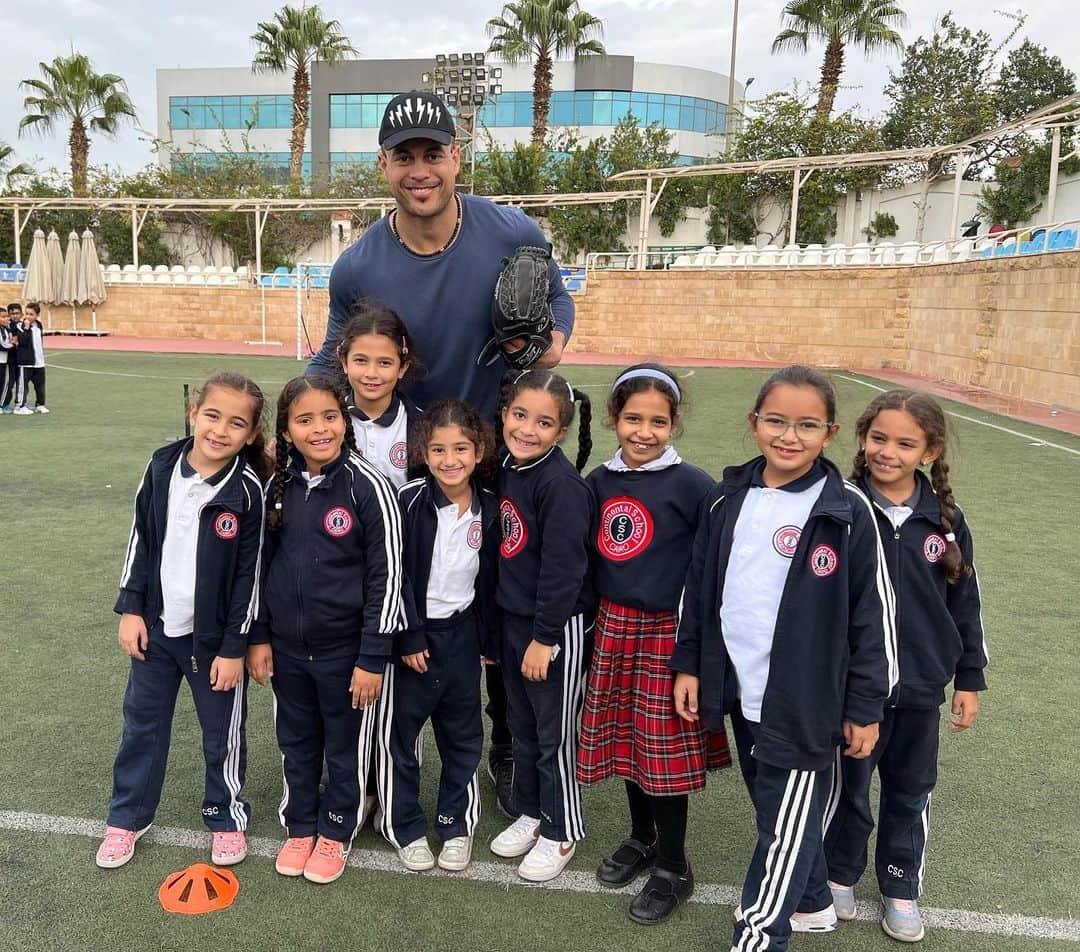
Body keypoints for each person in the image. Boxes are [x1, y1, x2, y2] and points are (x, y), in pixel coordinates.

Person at [311, 90, 577, 814]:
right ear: (384, 166)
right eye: (405, 157)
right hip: (412, 462)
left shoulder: (511, 230)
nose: (420, 169)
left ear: (457, 158)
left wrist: (549, 341)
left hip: (499, 452)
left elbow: (559, 304)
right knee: (413, 595)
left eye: (434, 153)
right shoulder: (359, 264)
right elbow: (332, 356)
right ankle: (385, 748)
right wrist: (288, 419)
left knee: (502, 596)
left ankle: (507, 742)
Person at [672, 364, 897, 952]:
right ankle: (815, 900)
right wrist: (690, 663)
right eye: (775, 421)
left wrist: (865, 705)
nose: (788, 436)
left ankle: (758, 934)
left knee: (783, 831)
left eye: (806, 425)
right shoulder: (727, 499)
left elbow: (871, 620)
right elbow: (699, 591)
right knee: (775, 808)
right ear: (754, 423)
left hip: (806, 702)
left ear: (830, 433)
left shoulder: (845, 511)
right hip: (743, 693)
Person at [824, 389, 988, 944]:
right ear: (862, 439)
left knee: (910, 789)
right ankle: (839, 874)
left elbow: (965, 604)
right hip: (854, 690)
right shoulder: (841, 507)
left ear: (929, 450)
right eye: (878, 438)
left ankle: (899, 885)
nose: (887, 451)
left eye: (904, 442)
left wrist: (969, 677)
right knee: (847, 787)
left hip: (920, 688)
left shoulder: (944, 520)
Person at [577, 363, 731, 925]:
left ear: (674, 424)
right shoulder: (598, 482)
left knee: (661, 754)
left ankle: (674, 865)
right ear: (616, 418)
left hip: (669, 633)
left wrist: (694, 655)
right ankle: (642, 838)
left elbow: (712, 570)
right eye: (633, 418)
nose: (644, 432)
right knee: (626, 744)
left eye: (658, 422)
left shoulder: (693, 486)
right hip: (614, 628)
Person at [96, 372, 269, 870]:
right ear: (194, 413)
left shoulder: (247, 491)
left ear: (251, 434)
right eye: (212, 416)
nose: (220, 430)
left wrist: (234, 647)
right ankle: (127, 818)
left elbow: (248, 578)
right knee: (142, 727)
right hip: (155, 630)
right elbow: (142, 541)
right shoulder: (162, 464)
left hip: (213, 643)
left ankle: (225, 815)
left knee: (223, 735)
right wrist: (131, 608)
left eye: (237, 423)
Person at [247, 374, 404, 886]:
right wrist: (259, 637)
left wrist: (372, 658)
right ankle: (301, 824)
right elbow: (260, 567)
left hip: (347, 654)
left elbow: (387, 577)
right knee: (297, 741)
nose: (320, 429)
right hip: (288, 651)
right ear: (286, 432)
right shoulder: (278, 488)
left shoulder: (370, 486)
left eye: (330, 416)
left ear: (345, 420)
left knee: (345, 745)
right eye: (305, 420)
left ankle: (337, 828)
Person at [379, 400, 500, 873]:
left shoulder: (490, 507)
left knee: (463, 736)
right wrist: (407, 637)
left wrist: (486, 639)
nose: (450, 460)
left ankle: (455, 823)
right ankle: (405, 826)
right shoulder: (406, 501)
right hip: (413, 640)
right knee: (400, 739)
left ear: (479, 450)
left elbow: (489, 580)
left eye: (461, 449)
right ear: (423, 454)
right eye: (438, 450)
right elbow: (394, 576)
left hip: (462, 637)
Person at [489, 369, 594, 883]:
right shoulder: (507, 467)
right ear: (505, 413)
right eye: (520, 415)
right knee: (523, 725)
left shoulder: (562, 486)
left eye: (544, 422)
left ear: (561, 432)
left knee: (554, 733)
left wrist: (545, 638)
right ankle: (532, 810)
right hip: (513, 624)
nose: (528, 429)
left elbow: (564, 571)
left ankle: (562, 827)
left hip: (552, 631)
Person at [337, 299, 424, 488]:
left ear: (402, 367)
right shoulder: (327, 423)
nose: (371, 373)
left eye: (384, 363)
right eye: (360, 360)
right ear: (344, 361)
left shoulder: (422, 426)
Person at [13, 301, 46, 414]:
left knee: (40, 386)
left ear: (37, 315)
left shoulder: (39, 325)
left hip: (39, 362)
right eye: (26, 313)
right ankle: (20, 406)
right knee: (23, 386)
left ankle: (40, 404)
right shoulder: (20, 326)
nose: (28, 316)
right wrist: (26, 328)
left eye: (31, 314)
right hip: (26, 362)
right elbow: (22, 341)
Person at [0, 306, 14, 413]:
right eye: (3, 317)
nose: (6, 319)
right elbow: (3, 346)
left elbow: (9, 341)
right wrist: (14, 345)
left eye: (7, 317)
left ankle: (1, 405)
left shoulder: (6, 330)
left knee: (3, 383)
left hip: (4, 362)